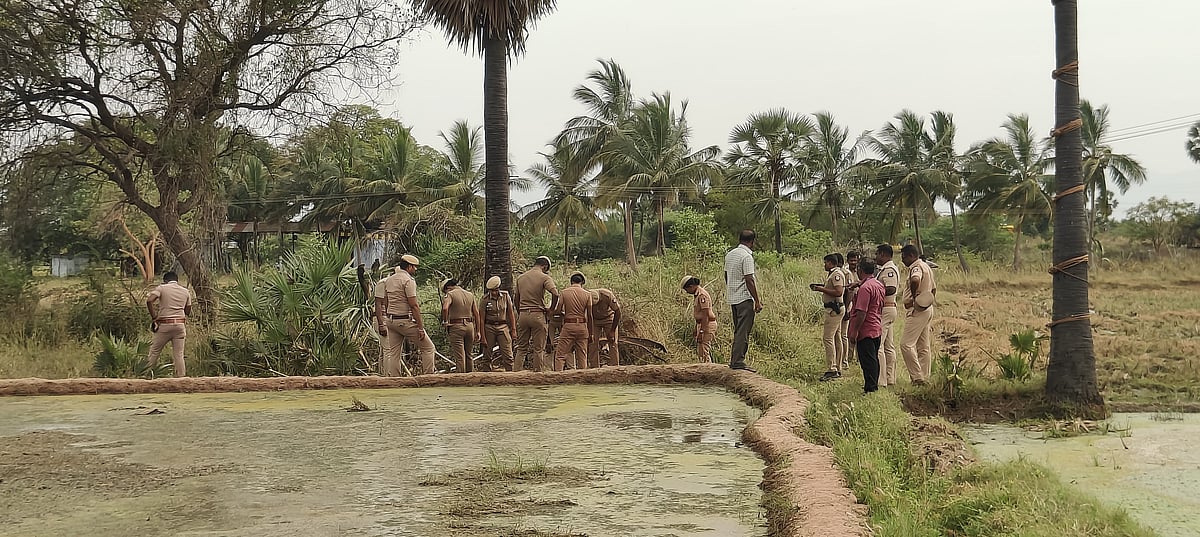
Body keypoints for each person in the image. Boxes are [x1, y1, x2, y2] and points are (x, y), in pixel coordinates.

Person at [377, 254, 435, 376]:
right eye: (414, 267)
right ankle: (429, 377)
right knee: (428, 348)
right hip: (404, 320)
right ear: (409, 267)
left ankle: (394, 380)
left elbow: (385, 301)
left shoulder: (389, 280)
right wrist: (420, 327)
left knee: (394, 353)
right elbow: (413, 305)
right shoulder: (408, 281)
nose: (415, 269)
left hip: (391, 321)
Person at [724, 230, 762, 372]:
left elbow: (726, 275)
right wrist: (757, 301)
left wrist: (731, 289)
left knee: (738, 330)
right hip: (744, 299)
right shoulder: (747, 257)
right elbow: (749, 280)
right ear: (752, 241)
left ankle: (735, 359)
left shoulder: (730, 254)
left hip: (733, 298)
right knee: (743, 331)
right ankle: (738, 361)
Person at [514, 256, 559, 372]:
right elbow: (555, 293)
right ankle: (537, 374)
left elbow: (516, 298)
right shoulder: (544, 277)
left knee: (521, 348)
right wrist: (551, 310)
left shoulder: (521, 278)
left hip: (523, 315)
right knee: (538, 349)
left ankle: (516, 373)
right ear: (544, 266)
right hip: (537, 315)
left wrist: (521, 312)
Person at [900, 244, 937, 385]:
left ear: (911, 256)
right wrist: (927, 301)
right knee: (923, 346)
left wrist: (915, 297)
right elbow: (933, 289)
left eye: (904, 257)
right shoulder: (926, 266)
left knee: (906, 344)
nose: (903, 260)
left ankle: (917, 377)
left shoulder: (916, 267)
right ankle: (924, 376)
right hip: (926, 308)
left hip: (917, 310)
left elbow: (915, 279)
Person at [145, 271, 193, 377]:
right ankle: (181, 378)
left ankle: (146, 375)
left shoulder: (162, 288)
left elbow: (149, 301)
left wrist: (154, 317)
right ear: (177, 280)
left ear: (165, 280)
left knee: (154, 352)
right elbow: (188, 311)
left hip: (165, 325)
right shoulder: (185, 291)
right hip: (180, 325)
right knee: (179, 354)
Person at [848, 259, 885, 394]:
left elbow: (862, 312)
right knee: (873, 358)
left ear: (860, 270)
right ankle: (873, 385)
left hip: (866, 329)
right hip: (876, 326)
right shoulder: (878, 284)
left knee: (867, 361)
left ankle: (871, 388)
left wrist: (855, 331)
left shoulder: (865, 289)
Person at [811, 254, 846, 381]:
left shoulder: (836, 274)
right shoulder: (834, 274)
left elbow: (838, 292)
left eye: (826, 262)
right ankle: (837, 366)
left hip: (833, 310)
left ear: (831, 263)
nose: (824, 265)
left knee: (828, 338)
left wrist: (822, 289)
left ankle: (832, 368)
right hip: (834, 309)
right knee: (837, 337)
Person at [874, 244, 901, 388]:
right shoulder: (885, 269)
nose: (876, 257)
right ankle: (890, 378)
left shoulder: (889, 270)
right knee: (888, 345)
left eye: (877, 254)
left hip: (886, 308)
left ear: (883, 254)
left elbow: (891, 288)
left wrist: (875, 291)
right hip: (888, 309)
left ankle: (881, 380)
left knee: (878, 344)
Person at [554, 271, 593, 371]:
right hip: (582, 326)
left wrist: (562, 314)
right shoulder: (588, 294)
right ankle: (583, 378)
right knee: (582, 356)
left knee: (561, 355)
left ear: (571, 281)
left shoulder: (564, 292)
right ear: (582, 282)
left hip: (568, 325)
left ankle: (558, 376)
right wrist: (591, 333)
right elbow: (590, 315)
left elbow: (558, 310)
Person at [441, 278, 481, 373]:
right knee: (469, 354)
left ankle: (461, 378)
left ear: (448, 288)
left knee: (460, 356)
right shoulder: (470, 295)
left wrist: (445, 321)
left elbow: (445, 308)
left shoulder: (450, 294)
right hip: (470, 326)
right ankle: (471, 376)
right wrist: (478, 330)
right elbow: (476, 313)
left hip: (456, 326)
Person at [480, 276, 516, 371]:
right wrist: (482, 336)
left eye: (495, 290)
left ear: (498, 288)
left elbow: (510, 313)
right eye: (492, 291)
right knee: (487, 355)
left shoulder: (505, 296)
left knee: (508, 355)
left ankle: (511, 374)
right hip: (489, 327)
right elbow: (481, 318)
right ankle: (486, 376)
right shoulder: (485, 299)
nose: (494, 293)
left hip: (503, 326)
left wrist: (513, 330)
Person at [682, 275, 718, 363]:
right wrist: (696, 328)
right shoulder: (697, 295)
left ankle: (708, 372)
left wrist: (702, 331)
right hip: (702, 324)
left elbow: (705, 315)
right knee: (701, 351)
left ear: (691, 286)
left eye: (687, 290)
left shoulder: (702, 295)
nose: (687, 292)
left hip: (706, 324)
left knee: (703, 352)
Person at [588, 287, 622, 367]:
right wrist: (590, 332)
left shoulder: (607, 295)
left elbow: (618, 311)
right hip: (594, 320)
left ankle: (615, 367)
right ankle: (594, 368)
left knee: (613, 342)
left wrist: (612, 331)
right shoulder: (586, 296)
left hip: (608, 318)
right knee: (592, 343)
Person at [841, 251, 861, 371]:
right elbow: (848, 292)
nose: (854, 262)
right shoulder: (846, 272)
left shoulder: (861, 271)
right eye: (851, 260)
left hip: (860, 304)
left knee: (859, 331)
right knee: (849, 333)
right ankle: (848, 357)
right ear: (847, 260)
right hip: (850, 304)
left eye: (855, 260)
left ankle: (859, 358)